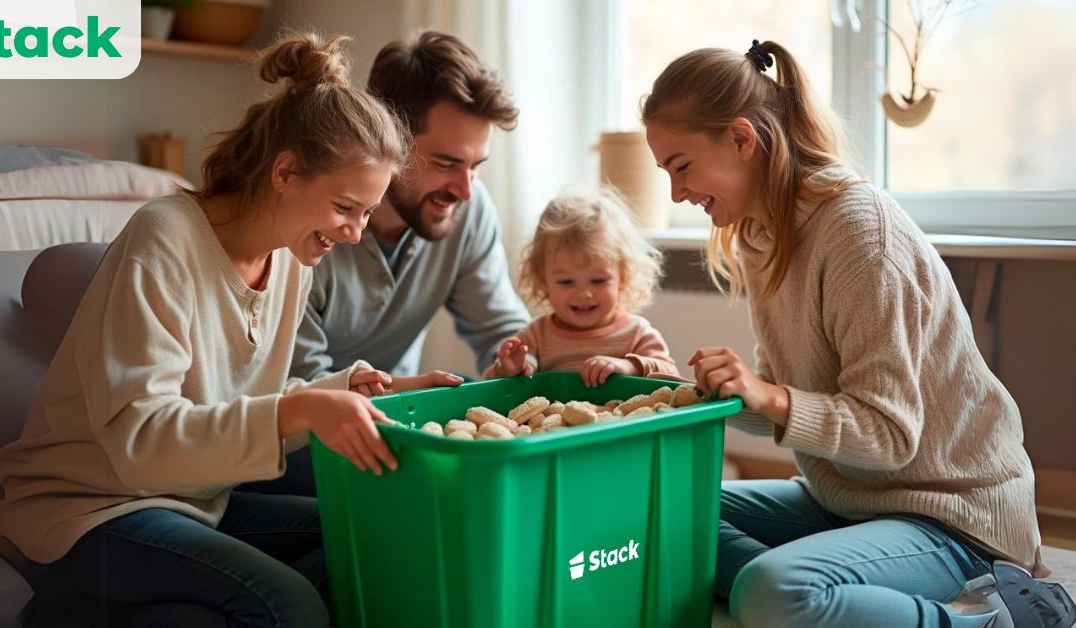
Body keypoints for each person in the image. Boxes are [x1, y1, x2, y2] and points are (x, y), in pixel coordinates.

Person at [0, 32, 407, 628]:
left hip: (197, 498)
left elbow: (233, 405)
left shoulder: (291, 257)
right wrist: (303, 411)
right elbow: (139, 439)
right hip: (94, 507)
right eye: (345, 207)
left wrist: (352, 389)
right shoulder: (164, 238)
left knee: (363, 542)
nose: (355, 232)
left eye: (367, 212)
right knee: (289, 606)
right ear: (285, 172)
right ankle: (49, 601)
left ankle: (74, 613)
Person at [642, 40, 1052, 627]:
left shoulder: (861, 236)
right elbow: (797, 407)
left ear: (740, 138)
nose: (677, 193)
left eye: (681, 167)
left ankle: (993, 621)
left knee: (771, 590)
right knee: (659, 512)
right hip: (851, 500)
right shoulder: (762, 236)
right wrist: (692, 393)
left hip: (953, 514)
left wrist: (769, 396)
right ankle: (824, 591)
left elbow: (887, 432)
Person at [289, 30, 531, 392]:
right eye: (446, 163)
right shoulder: (310, 221)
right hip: (309, 423)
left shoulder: (469, 206)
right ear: (386, 139)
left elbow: (499, 328)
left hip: (403, 409)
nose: (465, 191)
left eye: (476, 165)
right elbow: (299, 385)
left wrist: (519, 360)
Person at [485, 188, 681, 387]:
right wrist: (507, 369)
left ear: (623, 278)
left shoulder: (636, 333)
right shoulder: (535, 336)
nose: (584, 294)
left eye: (598, 281)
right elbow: (493, 389)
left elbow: (671, 375)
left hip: (623, 418)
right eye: (566, 282)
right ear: (542, 281)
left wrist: (629, 366)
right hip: (555, 418)